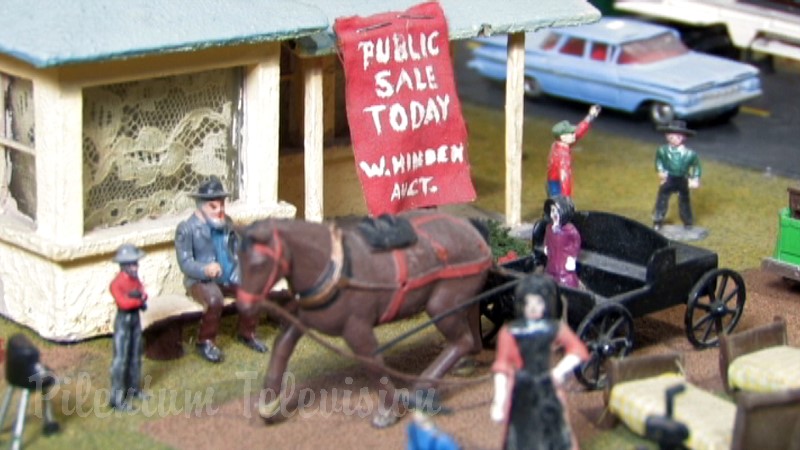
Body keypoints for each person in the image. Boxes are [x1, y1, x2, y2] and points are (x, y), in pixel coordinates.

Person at [175, 177, 267, 363]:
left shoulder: (227, 224)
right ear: (201, 206)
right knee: (215, 300)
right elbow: (185, 262)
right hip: (202, 281)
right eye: (213, 206)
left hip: (229, 274)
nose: (220, 211)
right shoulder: (187, 229)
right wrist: (204, 269)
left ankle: (247, 333)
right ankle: (205, 341)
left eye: (222, 205)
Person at [490, 275, 588, 450]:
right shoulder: (511, 332)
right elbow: (502, 367)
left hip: (546, 385)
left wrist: (559, 371)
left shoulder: (554, 328)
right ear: (522, 304)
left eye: (539, 303)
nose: (534, 308)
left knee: (554, 426)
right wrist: (499, 400)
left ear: (546, 304)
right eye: (529, 303)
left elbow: (578, 351)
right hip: (522, 387)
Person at [109, 244, 148, 410]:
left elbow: (142, 290)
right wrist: (139, 301)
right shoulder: (117, 283)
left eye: (136, 263)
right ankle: (117, 398)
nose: (135, 266)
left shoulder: (135, 279)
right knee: (121, 359)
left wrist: (143, 296)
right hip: (124, 320)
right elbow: (123, 303)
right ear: (124, 265)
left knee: (135, 355)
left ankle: (134, 389)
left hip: (135, 318)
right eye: (132, 264)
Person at [652, 120, 702, 230]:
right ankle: (657, 220)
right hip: (668, 178)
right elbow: (658, 161)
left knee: (684, 200)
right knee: (662, 199)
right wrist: (660, 171)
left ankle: (687, 221)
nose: (674, 139)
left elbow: (696, 166)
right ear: (667, 136)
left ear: (684, 138)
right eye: (671, 136)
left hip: (683, 179)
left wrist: (695, 178)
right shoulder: (662, 151)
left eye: (678, 137)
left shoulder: (690, 154)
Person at [547, 105, 601, 197]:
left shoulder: (559, 144)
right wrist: (567, 197)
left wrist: (590, 116)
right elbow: (565, 176)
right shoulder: (563, 155)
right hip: (557, 185)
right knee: (560, 207)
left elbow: (578, 132)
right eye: (571, 134)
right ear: (563, 137)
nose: (574, 135)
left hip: (552, 181)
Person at [543, 196, 581, 288]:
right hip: (551, 262)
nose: (554, 214)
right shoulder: (549, 228)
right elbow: (546, 237)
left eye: (557, 211)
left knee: (567, 281)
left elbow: (576, 242)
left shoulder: (570, 230)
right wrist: (545, 246)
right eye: (552, 210)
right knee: (549, 276)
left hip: (564, 265)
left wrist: (572, 257)